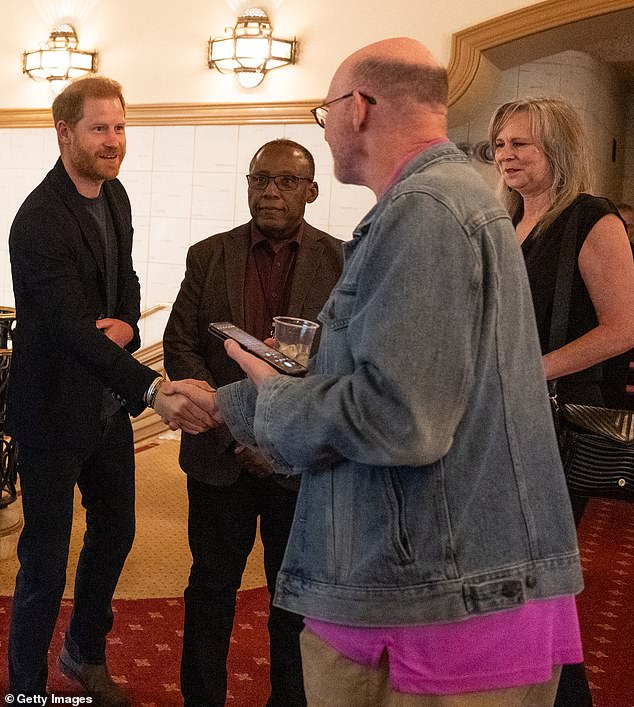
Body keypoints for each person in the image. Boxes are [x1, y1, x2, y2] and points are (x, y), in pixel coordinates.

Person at [171, 38, 586, 706]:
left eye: (323, 112)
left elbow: (399, 418)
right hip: (425, 587)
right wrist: (242, 401)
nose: (326, 126)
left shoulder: (426, 213)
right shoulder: (437, 202)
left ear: (358, 108)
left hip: (436, 608)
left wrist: (261, 401)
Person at [6, 75, 213, 705]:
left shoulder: (114, 195)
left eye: (120, 127)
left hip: (103, 409)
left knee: (117, 531)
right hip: (50, 410)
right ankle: (26, 689)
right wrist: (153, 389)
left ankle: (83, 651)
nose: (114, 141)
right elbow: (72, 331)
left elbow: (122, 274)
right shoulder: (38, 219)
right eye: (100, 128)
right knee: (44, 560)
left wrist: (126, 321)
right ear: (64, 132)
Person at [163, 138, 343, 707]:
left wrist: (281, 437)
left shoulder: (342, 262)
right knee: (211, 591)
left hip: (300, 468)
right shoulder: (207, 254)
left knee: (293, 602)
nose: (270, 191)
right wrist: (234, 424)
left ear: (311, 191)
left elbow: (344, 361)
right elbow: (181, 345)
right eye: (260, 179)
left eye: (286, 181)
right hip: (219, 459)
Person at [490, 96, 634, 707]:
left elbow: (624, 326)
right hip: (506, 419)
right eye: (499, 145)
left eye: (520, 143)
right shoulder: (508, 220)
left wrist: (529, 372)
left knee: (535, 581)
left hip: (557, 421)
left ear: (560, 148)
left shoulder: (591, 218)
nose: (505, 155)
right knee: (515, 580)